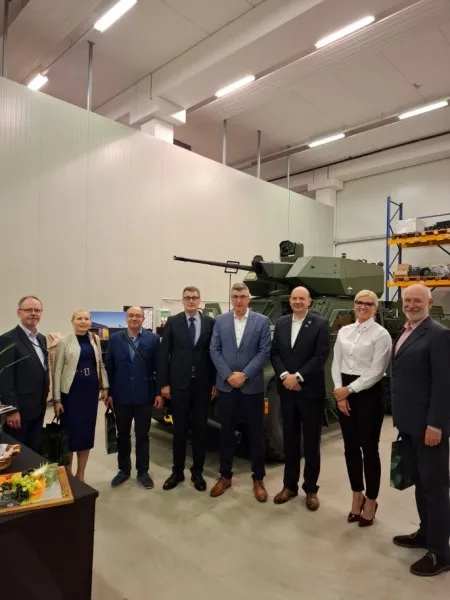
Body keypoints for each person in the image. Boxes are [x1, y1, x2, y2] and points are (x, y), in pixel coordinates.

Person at [391, 284, 450, 577]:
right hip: (410, 424)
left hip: (428, 427)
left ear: (428, 302)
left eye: (417, 300)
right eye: (407, 300)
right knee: (420, 483)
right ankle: (426, 533)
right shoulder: (406, 331)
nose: (411, 304)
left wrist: (435, 424)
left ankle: (441, 553)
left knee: (436, 489)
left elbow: (443, 383)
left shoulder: (438, 334)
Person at [331, 290, 392, 525]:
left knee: (369, 449)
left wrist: (349, 390)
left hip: (369, 395)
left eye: (368, 303)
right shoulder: (344, 331)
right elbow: (336, 363)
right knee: (350, 448)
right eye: (359, 302)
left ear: (375, 308)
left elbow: (377, 371)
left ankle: (371, 500)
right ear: (354, 305)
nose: (363, 307)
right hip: (345, 393)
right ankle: (357, 495)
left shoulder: (381, 335)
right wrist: (340, 393)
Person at [209, 282, 271, 502]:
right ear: (231, 298)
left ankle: (258, 478)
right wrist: (228, 376)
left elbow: (264, 351)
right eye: (235, 296)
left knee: (256, 434)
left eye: (242, 296)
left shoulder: (261, 321)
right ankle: (225, 476)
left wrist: (244, 375)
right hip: (227, 387)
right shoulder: (220, 321)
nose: (238, 300)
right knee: (226, 433)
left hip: (251, 387)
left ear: (248, 299)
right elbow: (214, 350)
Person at [270, 286, 329, 511]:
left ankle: (311, 489)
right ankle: (289, 486)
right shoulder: (282, 323)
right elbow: (275, 353)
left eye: (301, 299)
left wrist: (298, 376)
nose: (297, 302)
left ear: (309, 301)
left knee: (311, 442)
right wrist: (285, 376)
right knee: (290, 440)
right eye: (294, 298)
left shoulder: (320, 324)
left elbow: (320, 355)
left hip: (310, 391)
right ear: (290, 300)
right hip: (287, 390)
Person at [158, 287, 216, 492]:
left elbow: (214, 353)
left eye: (194, 298)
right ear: (182, 301)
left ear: (200, 300)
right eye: (187, 298)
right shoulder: (173, 322)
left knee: (200, 430)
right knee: (179, 430)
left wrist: (215, 382)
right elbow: (163, 353)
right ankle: (177, 471)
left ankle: (197, 472)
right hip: (179, 385)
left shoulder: (210, 323)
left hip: (203, 385)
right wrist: (164, 383)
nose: (191, 301)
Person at [105, 306, 162, 489]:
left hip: (144, 394)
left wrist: (158, 392)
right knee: (122, 434)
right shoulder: (115, 339)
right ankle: (124, 470)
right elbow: (109, 366)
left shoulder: (153, 339)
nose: (134, 318)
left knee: (143, 435)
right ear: (126, 318)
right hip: (120, 395)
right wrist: (109, 392)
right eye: (131, 315)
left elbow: (159, 367)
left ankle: (143, 471)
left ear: (143, 319)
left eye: (138, 316)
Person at [53, 310, 108, 481]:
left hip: (90, 393)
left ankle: (81, 474)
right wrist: (56, 399)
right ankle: (68, 474)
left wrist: (105, 386)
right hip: (71, 393)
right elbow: (57, 370)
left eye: (86, 319)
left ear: (90, 322)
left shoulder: (95, 339)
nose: (83, 321)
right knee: (69, 434)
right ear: (72, 321)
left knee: (86, 434)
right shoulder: (64, 341)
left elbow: (100, 364)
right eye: (79, 318)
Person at [0, 296, 49, 452]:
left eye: (37, 310)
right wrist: (12, 410)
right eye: (28, 310)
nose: (33, 313)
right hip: (19, 413)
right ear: (19, 313)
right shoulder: (8, 339)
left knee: (33, 451)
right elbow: (4, 378)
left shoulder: (41, 339)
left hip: (38, 408)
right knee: (17, 454)